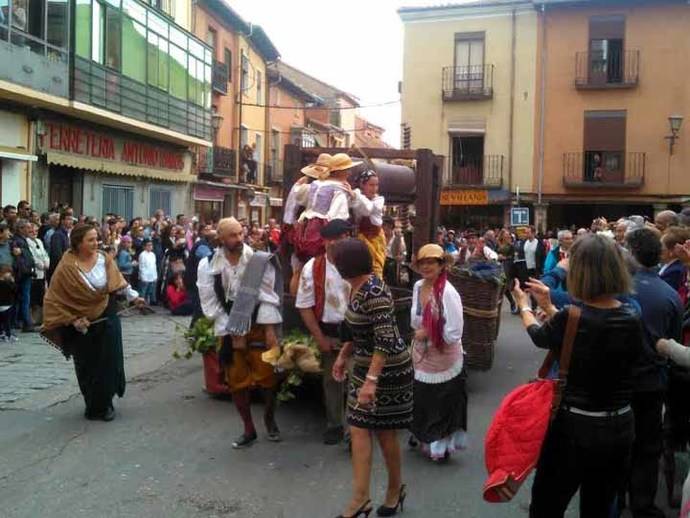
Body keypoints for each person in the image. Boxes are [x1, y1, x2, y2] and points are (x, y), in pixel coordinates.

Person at [511, 233, 645, 517]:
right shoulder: (632, 316)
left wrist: (524, 305)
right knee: (598, 505)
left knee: (548, 504)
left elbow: (539, 335)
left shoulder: (570, 317)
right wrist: (550, 307)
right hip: (619, 424)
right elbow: (585, 326)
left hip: (573, 427)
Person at [330, 238, 413, 518]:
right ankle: (361, 497)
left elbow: (385, 339)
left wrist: (371, 381)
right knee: (358, 428)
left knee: (384, 431)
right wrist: (343, 355)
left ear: (348, 263)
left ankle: (393, 489)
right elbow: (357, 331)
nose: (333, 262)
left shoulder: (375, 291)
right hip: (364, 367)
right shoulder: (355, 287)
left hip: (388, 370)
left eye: (336, 259)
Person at [42, 224, 144, 421]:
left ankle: (105, 404)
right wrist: (72, 320)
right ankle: (93, 403)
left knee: (109, 361)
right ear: (78, 243)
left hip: (107, 314)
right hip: (82, 324)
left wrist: (134, 297)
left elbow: (118, 281)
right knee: (88, 365)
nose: (96, 243)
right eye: (90, 240)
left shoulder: (104, 259)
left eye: (96, 239)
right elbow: (54, 299)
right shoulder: (66, 267)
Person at [197, 217, 282, 449]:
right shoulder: (207, 264)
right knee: (236, 381)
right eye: (232, 235)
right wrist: (232, 329)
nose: (238, 238)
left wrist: (269, 329)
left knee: (269, 377)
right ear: (221, 238)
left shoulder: (258, 261)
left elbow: (267, 296)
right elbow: (209, 301)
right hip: (228, 328)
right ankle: (248, 428)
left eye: (240, 233)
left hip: (258, 323)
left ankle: (269, 418)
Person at [621, 228, 683, 517]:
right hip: (652, 383)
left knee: (619, 444)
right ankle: (642, 504)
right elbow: (671, 343)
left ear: (631, 254)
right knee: (647, 446)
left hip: (619, 382)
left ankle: (615, 499)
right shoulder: (671, 295)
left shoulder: (618, 290)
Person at [295, 219, 352, 445]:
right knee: (332, 380)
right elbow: (304, 305)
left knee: (356, 380)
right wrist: (320, 338)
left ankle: (352, 431)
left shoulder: (358, 262)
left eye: (344, 238)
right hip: (329, 331)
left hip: (355, 332)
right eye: (335, 239)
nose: (339, 243)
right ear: (325, 241)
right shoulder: (313, 267)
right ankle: (334, 424)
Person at [409, 244, 467, 462]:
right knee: (423, 397)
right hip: (422, 354)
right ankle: (424, 437)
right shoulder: (417, 286)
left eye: (431, 262)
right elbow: (415, 319)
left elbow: (454, 332)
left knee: (441, 402)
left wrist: (429, 335)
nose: (426, 267)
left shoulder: (449, 293)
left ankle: (439, 446)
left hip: (444, 356)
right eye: (423, 263)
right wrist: (421, 332)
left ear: (441, 265)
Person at [353, 170, 386, 278]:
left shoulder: (379, 200)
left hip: (376, 238)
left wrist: (356, 193)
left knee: (376, 266)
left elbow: (368, 209)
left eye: (376, 185)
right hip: (361, 237)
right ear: (362, 185)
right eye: (371, 185)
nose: (374, 188)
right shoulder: (356, 199)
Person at [185, 223, 214, 327]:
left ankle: (195, 330)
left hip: (199, 281)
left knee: (200, 307)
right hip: (195, 282)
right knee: (199, 307)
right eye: (207, 229)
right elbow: (209, 259)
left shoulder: (208, 244)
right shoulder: (202, 245)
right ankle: (194, 331)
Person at [11, 219, 36, 332]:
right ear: (21, 229)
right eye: (27, 228)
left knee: (21, 298)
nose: (30, 230)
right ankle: (26, 322)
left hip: (24, 272)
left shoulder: (22, 240)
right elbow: (20, 256)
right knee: (24, 297)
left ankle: (18, 321)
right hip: (23, 273)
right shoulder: (18, 241)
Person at [27, 223, 49, 325]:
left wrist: (46, 263)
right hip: (34, 272)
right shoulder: (26, 242)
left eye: (36, 231)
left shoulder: (39, 241)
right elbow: (32, 257)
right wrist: (41, 264)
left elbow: (45, 254)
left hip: (43, 273)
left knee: (41, 297)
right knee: (33, 298)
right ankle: (32, 319)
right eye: (31, 231)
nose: (34, 233)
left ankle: (39, 319)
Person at [660, 227, 689, 298]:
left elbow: (664, 296)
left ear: (672, 252)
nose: (658, 249)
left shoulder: (675, 271)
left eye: (661, 246)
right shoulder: (667, 265)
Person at [47, 211, 73, 284]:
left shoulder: (67, 234)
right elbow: (57, 255)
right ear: (62, 221)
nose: (71, 222)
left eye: (71, 220)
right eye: (68, 219)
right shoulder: (58, 235)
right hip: (58, 271)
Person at [496, 229, 517, 313]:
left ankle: (497, 306)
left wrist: (505, 258)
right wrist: (497, 256)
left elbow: (512, 257)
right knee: (504, 287)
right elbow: (493, 253)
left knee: (502, 286)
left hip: (506, 267)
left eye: (508, 234)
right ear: (502, 235)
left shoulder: (511, 246)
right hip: (498, 266)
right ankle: (512, 302)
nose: (508, 235)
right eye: (506, 234)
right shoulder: (497, 244)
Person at [138, 239, 157, 305]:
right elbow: (141, 267)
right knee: (143, 291)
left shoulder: (153, 254)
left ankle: (150, 302)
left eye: (151, 245)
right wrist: (143, 277)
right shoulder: (142, 255)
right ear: (144, 246)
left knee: (150, 290)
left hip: (151, 275)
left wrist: (155, 276)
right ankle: (141, 303)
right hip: (145, 276)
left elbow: (154, 266)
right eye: (148, 245)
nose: (150, 246)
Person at [0, 265, 17, 342]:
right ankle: (8, 334)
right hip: (7, 305)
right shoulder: (7, 283)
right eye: (8, 273)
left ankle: (2, 333)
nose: (10, 274)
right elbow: (14, 291)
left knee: (3, 321)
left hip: (4, 305)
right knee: (7, 322)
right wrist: (13, 282)